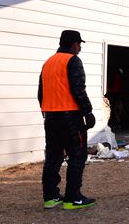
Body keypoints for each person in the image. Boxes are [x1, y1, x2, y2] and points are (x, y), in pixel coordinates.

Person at [38, 30, 96, 210]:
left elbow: (41, 92)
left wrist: (45, 111)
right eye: (79, 45)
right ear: (73, 44)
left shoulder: (48, 62)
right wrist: (88, 112)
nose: (79, 49)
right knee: (77, 156)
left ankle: (51, 197)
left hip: (50, 116)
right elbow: (78, 89)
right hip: (70, 116)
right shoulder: (73, 61)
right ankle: (73, 198)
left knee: (53, 157)